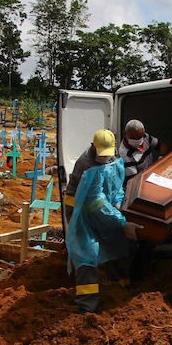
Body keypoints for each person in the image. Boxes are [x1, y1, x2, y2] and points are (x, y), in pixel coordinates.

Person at [64, 129, 141, 313]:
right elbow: (95, 202)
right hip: (80, 210)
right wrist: (121, 223)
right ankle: (87, 306)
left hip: (104, 208)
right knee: (87, 252)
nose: (105, 158)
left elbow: (116, 183)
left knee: (116, 241)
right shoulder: (86, 166)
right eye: (102, 154)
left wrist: (117, 201)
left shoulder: (111, 156)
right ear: (93, 147)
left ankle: (120, 288)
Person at [118, 119, 167, 283]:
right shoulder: (124, 154)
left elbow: (161, 145)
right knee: (134, 239)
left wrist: (161, 158)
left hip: (151, 186)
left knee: (149, 238)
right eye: (135, 138)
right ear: (126, 135)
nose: (139, 141)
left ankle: (142, 271)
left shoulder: (144, 137)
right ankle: (132, 277)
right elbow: (134, 183)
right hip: (135, 198)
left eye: (140, 137)